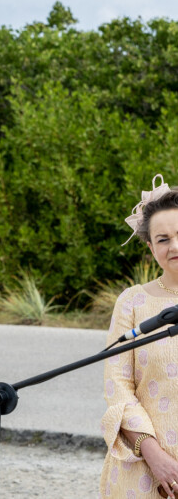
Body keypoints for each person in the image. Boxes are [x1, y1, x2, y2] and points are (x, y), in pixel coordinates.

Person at [101, 174, 178, 498]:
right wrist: (154, 455)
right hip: (144, 472)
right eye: (163, 239)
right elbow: (117, 386)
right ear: (150, 247)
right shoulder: (132, 302)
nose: (174, 246)